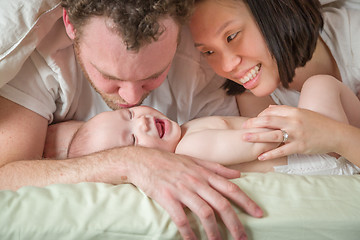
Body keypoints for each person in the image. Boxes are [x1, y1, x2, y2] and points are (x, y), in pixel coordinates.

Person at [0, 1, 263, 239]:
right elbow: (6, 175)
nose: (133, 97)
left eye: (154, 75)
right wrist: (128, 161)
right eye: (110, 78)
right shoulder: (41, 62)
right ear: (70, 25)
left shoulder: (201, 60)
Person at [188, 0, 360, 173]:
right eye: (209, 52)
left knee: (319, 88)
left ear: (273, 12)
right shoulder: (253, 96)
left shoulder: (354, 36)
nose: (227, 66)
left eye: (232, 36)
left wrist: (335, 136)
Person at [44, 105, 284, 172]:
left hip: (292, 144)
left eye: (129, 114)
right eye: (133, 140)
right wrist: (287, 125)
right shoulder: (189, 150)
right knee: (320, 83)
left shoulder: (187, 131)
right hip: (298, 155)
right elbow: (257, 143)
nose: (141, 122)